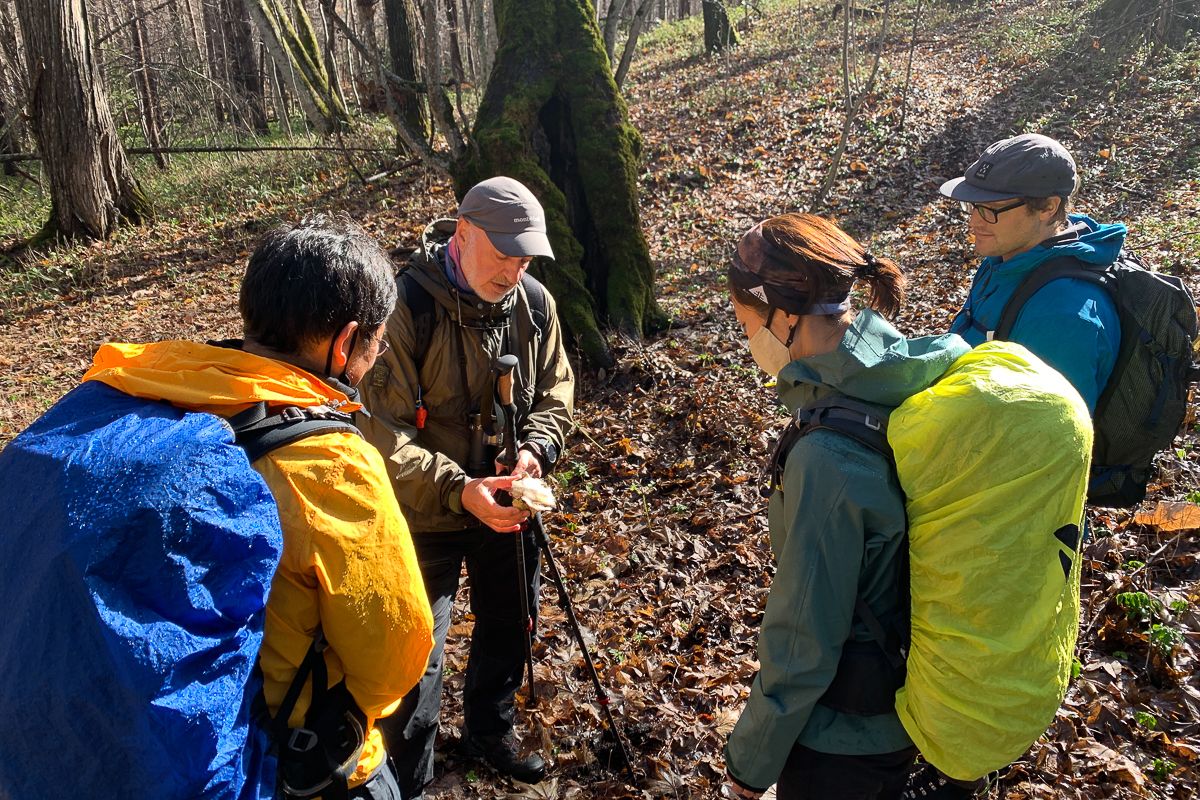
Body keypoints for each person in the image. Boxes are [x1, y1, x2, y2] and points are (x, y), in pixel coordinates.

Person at [0, 215, 435, 799]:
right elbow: (394, 645)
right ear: (345, 341)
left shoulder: (136, 383)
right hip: (283, 761)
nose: (373, 360)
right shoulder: (329, 464)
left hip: (90, 745)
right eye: (375, 345)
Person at [721, 213, 971, 800]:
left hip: (847, 737)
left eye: (746, 324)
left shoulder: (827, 458)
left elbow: (805, 639)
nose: (747, 341)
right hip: (921, 701)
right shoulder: (904, 374)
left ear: (784, 318)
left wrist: (749, 764)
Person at [359, 177, 575, 796]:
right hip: (424, 512)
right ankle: (408, 779)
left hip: (505, 506)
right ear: (462, 235)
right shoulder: (405, 308)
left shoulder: (534, 304)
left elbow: (557, 392)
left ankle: (489, 731)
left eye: (525, 257)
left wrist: (536, 450)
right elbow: (382, 435)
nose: (513, 270)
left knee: (510, 620)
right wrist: (459, 489)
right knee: (415, 653)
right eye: (503, 254)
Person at [938, 132, 1123, 413]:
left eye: (991, 209)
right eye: (973, 206)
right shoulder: (1006, 258)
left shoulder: (1065, 316)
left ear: (1048, 207)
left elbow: (1047, 441)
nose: (974, 221)